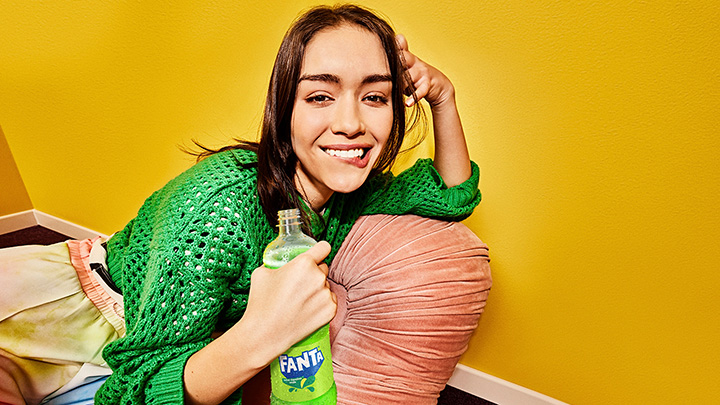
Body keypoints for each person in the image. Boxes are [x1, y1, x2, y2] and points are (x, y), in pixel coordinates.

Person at [0, 4, 481, 405]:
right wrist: (259, 336)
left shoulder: (348, 193)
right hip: (65, 311)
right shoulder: (220, 207)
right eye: (319, 96)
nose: (351, 122)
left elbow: (450, 195)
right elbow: (136, 389)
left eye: (375, 96)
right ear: (283, 110)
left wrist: (443, 97)